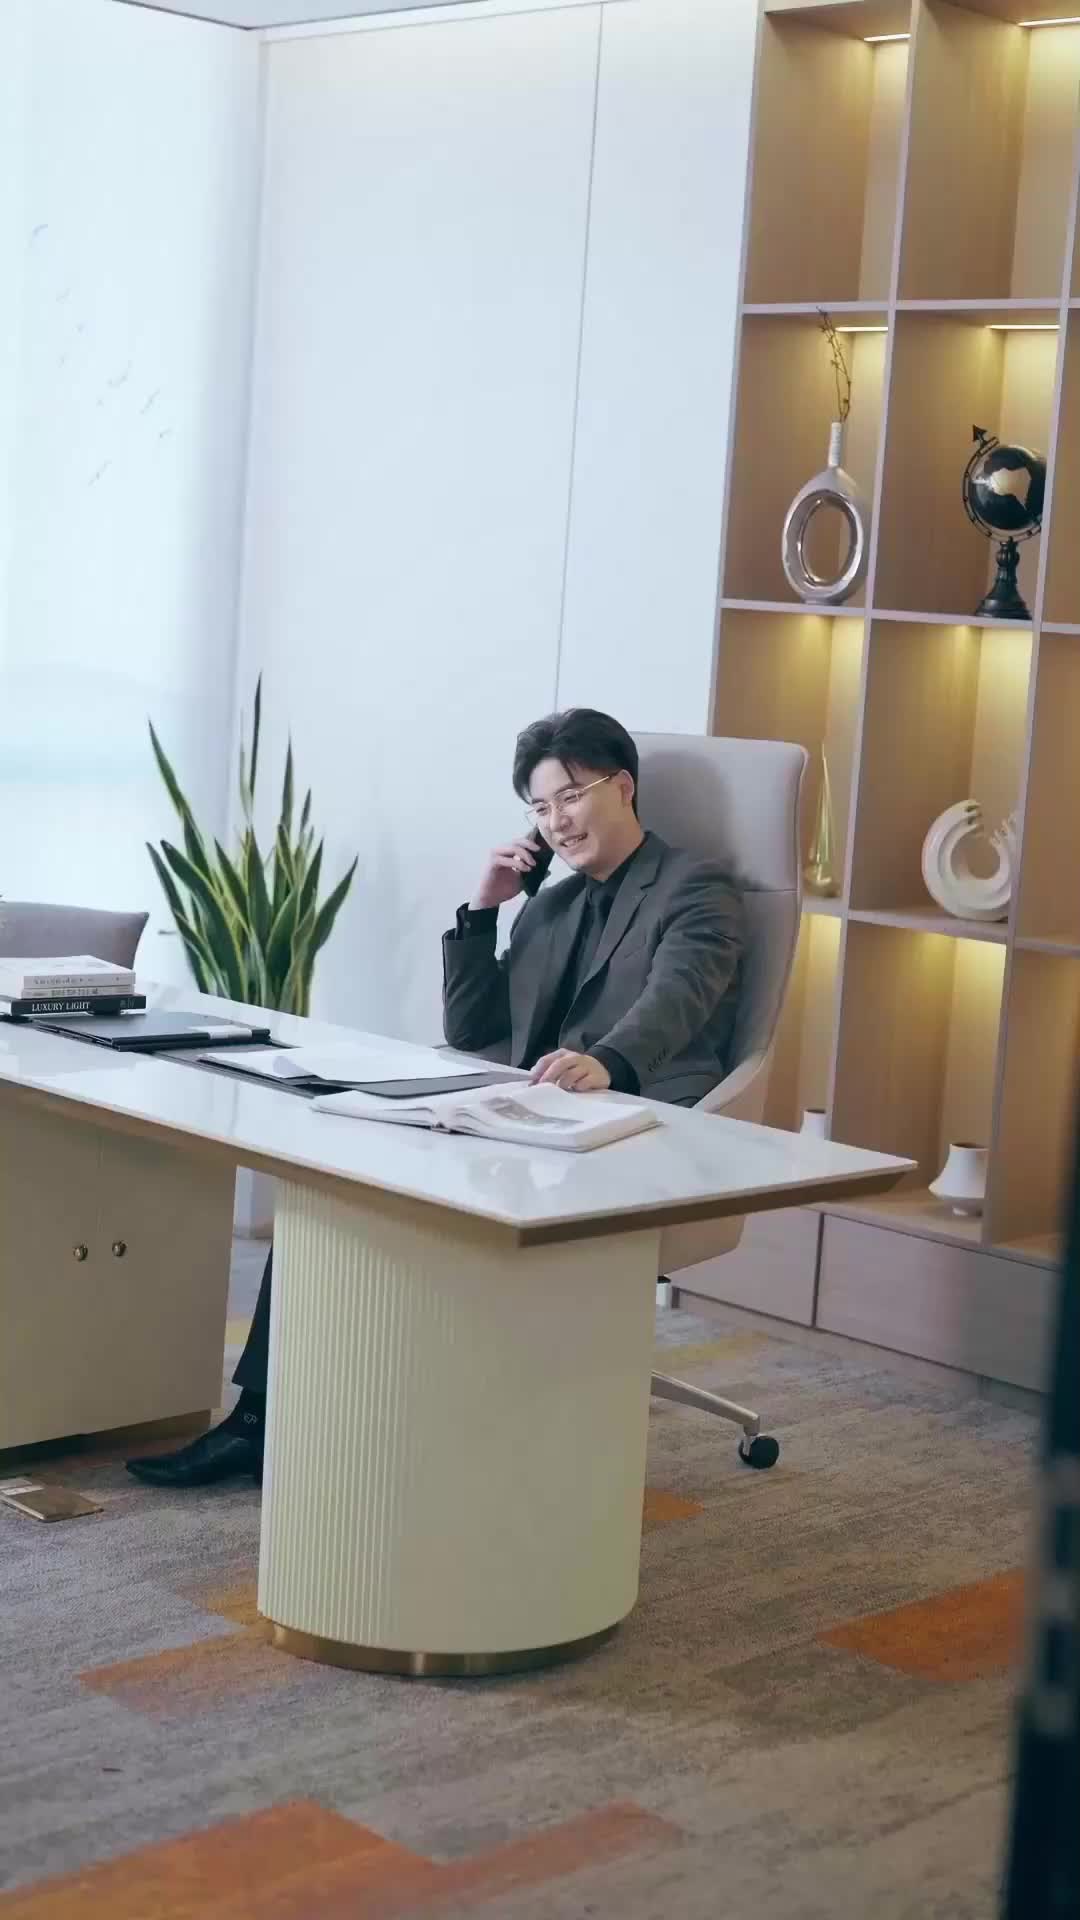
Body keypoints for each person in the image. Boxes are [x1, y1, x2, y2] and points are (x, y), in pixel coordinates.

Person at [127, 708, 742, 1489]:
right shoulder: (550, 904)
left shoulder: (695, 888)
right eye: (540, 807)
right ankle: (264, 1421)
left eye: (571, 797)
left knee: (406, 1213)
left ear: (622, 787)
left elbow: (678, 998)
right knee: (335, 1179)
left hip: (635, 1128)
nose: (556, 822)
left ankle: (388, 1430)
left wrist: (607, 1062)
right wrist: (483, 910)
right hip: (528, 1123)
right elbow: (473, 1029)